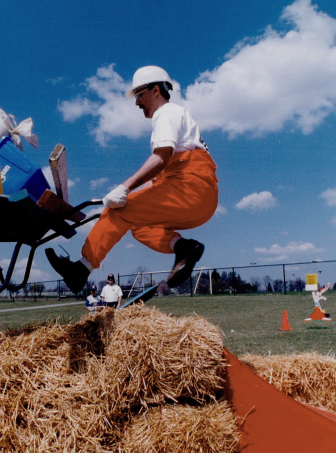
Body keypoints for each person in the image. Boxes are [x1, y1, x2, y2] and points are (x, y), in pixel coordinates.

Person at [46, 65, 218, 293]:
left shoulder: (166, 113)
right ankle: (184, 248)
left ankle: (80, 270)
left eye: (139, 94)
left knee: (118, 211)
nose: (137, 102)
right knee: (138, 226)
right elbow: (161, 174)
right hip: (200, 198)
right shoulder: (180, 119)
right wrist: (128, 193)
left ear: (156, 90)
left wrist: (124, 188)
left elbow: (161, 157)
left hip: (189, 187)